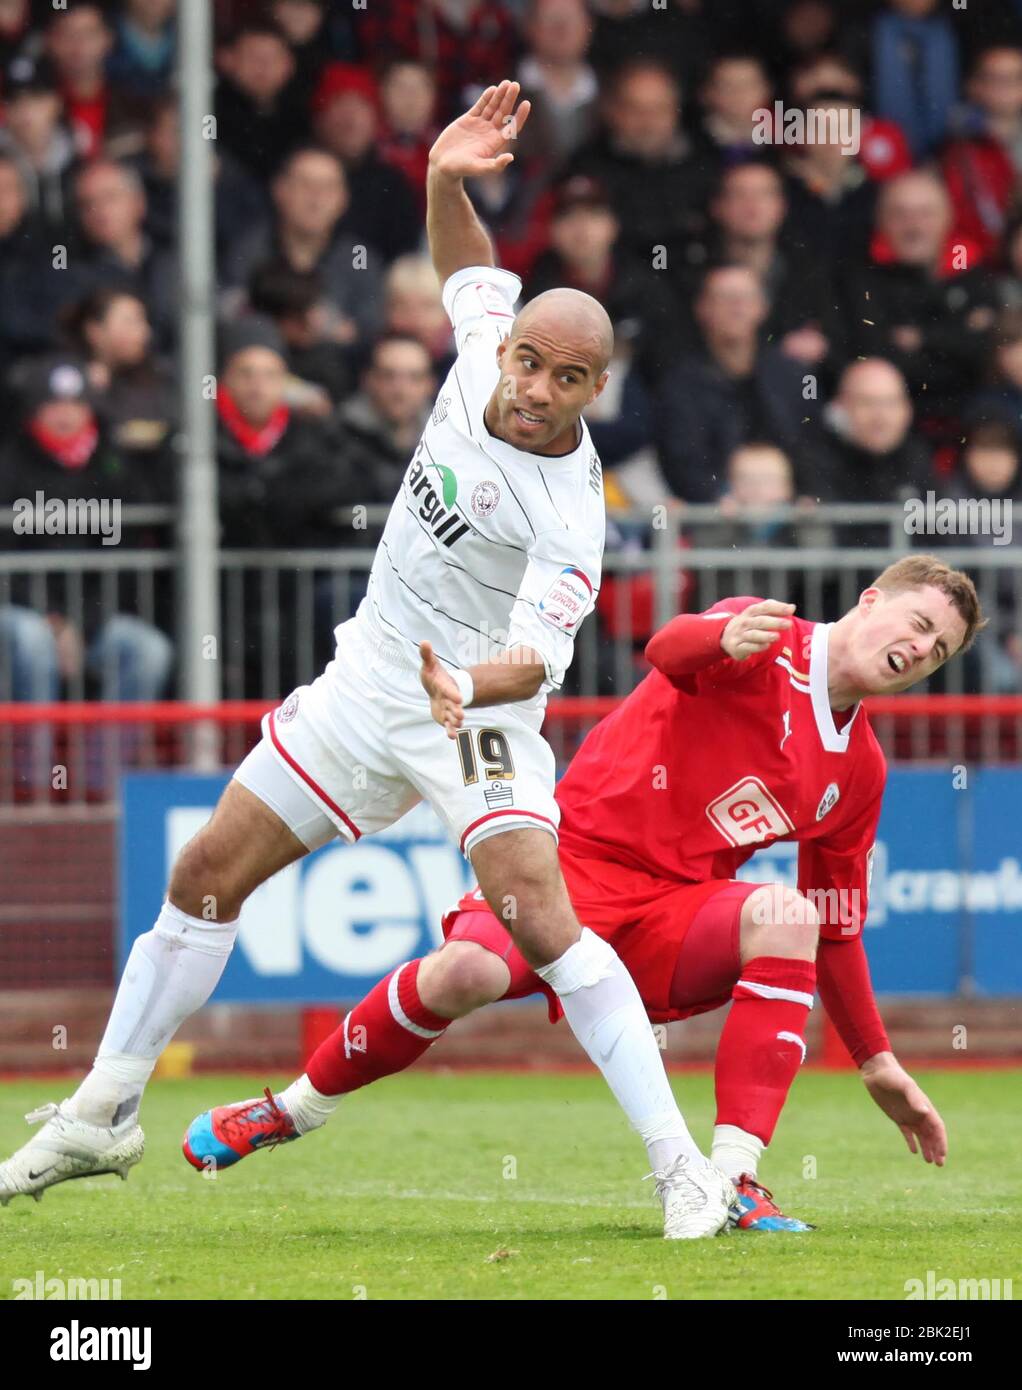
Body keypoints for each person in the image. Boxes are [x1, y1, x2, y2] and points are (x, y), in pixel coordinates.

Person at [0, 82, 734, 1241]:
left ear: (596, 391)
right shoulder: (490, 339)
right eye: (529, 363)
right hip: (365, 679)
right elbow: (469, 269)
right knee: (203, 875)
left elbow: (538, 659)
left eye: (562, 380)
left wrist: (470, 691)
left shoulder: (568, 508)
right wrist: (444, 179)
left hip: (475, 715)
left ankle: (680, 1169)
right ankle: (105, 1110)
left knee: (539, 922)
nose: (532, 389)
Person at [185, 556, 984, 1232]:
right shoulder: (764, 637)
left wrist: (877, 1061)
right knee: (463, 974)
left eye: (939, 649)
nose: (920, 648)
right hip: (561, 870)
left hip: (673, 911)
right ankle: (289, 1111)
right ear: (870, 600)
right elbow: (667, 651)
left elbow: (838, 929)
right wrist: (717, 634)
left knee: (789, 916)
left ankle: (732, 1182)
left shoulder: (859, 770)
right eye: (916, 622)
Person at [654, 263, 818, 501]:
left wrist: (806, 495)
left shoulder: (792, 377)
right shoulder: (679, 384)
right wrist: (715, 497)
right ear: (702, 308)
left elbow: (812, 447)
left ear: (763, 307)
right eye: (725, 299)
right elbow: (681, 460)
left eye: (745, 298)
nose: (736, 308)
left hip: (790, 514)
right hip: (714, 518)